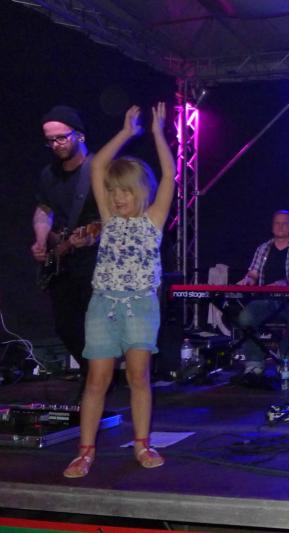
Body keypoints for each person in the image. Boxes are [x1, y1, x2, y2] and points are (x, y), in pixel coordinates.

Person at [63, 103, 175, 478]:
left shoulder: (153, 219)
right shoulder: (108, 219)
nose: (116, 198)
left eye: (124, 191)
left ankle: (142, 444)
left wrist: (157, 134)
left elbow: (170, 175)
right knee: (97, 379)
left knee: (138, 376)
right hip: (103, 306)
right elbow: (97, 166)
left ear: (141, 191)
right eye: (112, 192)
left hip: (141, 306)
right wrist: (126, 132)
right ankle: (85, 451)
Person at [31, 106, 99, 380]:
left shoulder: (98, 170)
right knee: (65, 326)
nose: (56, 144)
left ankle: (96, 379)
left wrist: (92, 234)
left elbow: (112, 216)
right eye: (50, 140)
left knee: (93, 324)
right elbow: (44, 208)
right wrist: (40, 240)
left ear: (79, 135)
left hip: (94, 261)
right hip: (62, 261)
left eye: (61, 137)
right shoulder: (49, 174)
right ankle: (91, 373)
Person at [235, 210, 289, 375]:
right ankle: (255, 361)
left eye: (284, 223)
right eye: (277, 223)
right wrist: (248, 280)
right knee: (245, 318)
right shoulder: (263, 248)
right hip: (266, 299)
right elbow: (253, 274)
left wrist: (285, 283)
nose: (280, 226)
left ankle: (284, 359)